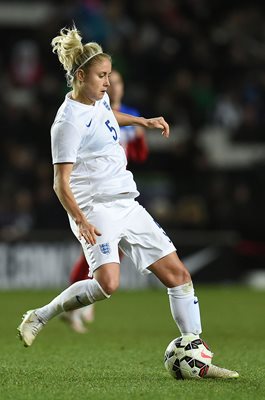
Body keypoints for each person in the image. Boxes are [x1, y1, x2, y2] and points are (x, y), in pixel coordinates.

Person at [17, 26, 238, 379]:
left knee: (179, 276)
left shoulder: (98, 99)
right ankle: (40, 315)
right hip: (96, 207)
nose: (108, 83)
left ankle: (198, 356)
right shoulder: (66, 123)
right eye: (102, 76)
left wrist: (141, 121)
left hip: (126, 201)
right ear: (80, 76)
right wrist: (82, 220)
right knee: (108, 284)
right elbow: (60, 184)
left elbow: (107, 118)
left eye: (108, 75)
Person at [60, 69, 149, 333]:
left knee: (113, 250)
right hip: (94, 191)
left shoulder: (127, 114)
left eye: (118, 80)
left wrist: (141, 130)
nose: (113, 84)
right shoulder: (90, 110)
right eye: (108, 79)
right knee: (97, 250)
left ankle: (82, 303)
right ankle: (76, 303)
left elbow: (139, 156)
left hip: (118, 188)